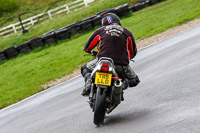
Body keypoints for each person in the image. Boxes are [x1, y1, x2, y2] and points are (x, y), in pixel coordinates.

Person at [81, 13, 140, 96]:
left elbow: (87, 48)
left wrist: (92, 52)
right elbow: (133, 52)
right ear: (118, 21)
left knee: (85, 68)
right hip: (121, 65)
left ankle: (88, 85)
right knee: (134, 80)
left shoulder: (100, 31)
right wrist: (127, 57)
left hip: (101, 61)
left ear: (104, 23)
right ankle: (122, 85)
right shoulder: (127, 32)